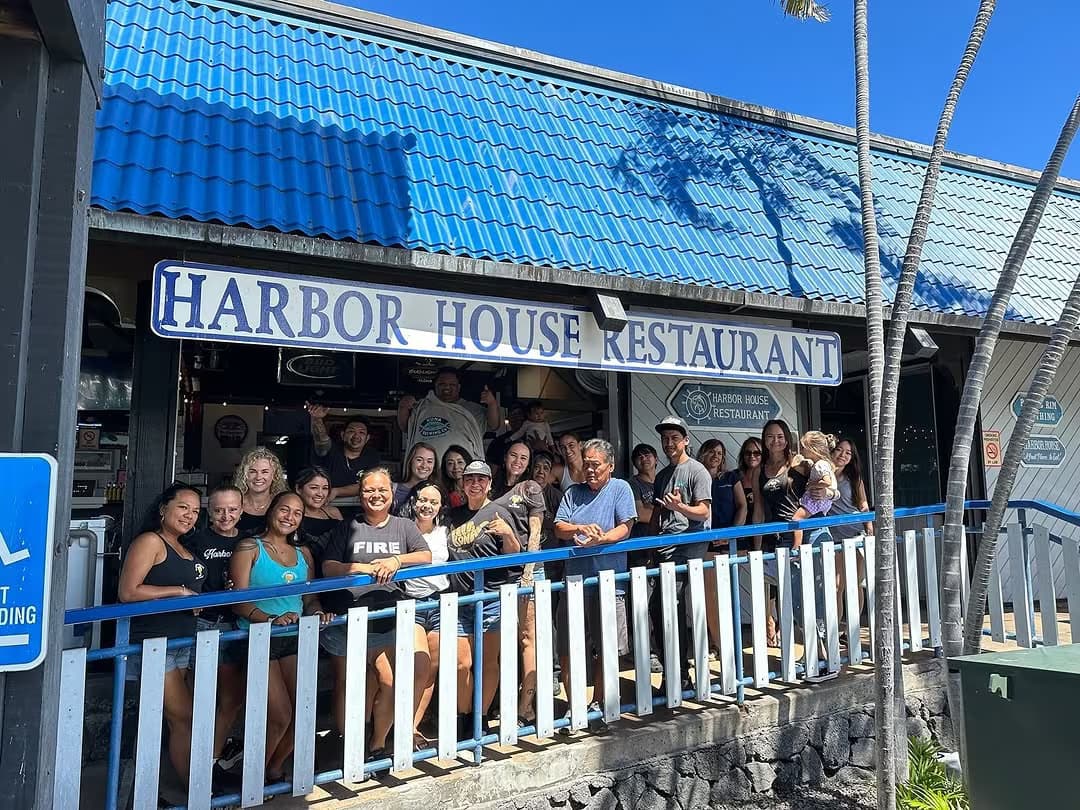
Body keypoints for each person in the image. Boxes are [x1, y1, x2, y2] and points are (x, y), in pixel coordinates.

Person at [320, 468, 432, 760]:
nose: (376, 495)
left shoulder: (404, 526)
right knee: (349, 684)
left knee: (388, 682)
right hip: (348, 618)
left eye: (382, 490)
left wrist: (396, 560)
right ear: (360, 495)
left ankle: (377, 744)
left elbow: (425, 555)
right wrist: (363, 569)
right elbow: (329, 567)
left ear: (391, 494)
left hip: (386, 618)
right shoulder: (347, 527)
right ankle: (350, 744)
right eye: (369, 490)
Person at [230, 492, 330, 782]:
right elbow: (237, 601)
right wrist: (270, 619)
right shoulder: (250, 547)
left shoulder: (304, 554)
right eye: (284, 510)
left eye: (297, 513)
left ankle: (273, 767)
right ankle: (251, 776)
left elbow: (309, 598)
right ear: (271, 510)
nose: (290, 517)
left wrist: (318, 611)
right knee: (280, 715)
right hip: (258, 637)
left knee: (304, 713)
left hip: (294, 637)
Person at [118, 484, 206, 787]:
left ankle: (154, 787)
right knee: (183, 717)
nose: (190, 515)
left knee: (174, 719)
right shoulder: (150, 541)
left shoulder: (184, 547)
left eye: (195, 511)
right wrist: (178, 592)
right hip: (155, 643)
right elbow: (128, 592)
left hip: (182, 641)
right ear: (163, 508)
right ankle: (196, 791)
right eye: (183, 507)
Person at [445, 462, 545, 726]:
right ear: (462, 484)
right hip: (459, 597)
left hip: (490, 596)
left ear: (489, 484)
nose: (475, 484)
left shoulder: (499, 511)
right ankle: (464, 715)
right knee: (461, 663)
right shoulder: (452, 515)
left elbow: (514, 555)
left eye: (481, 479)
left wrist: (508, 534)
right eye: (469, 479)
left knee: (488, 660)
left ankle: (478, 719)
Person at [553, 439, 636, 730]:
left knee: (606, 647)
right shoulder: (572, 493)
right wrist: (579, 528)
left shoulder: (620, 488)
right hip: (575, 580)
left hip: (608, 580)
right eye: (586, 464)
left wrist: (602, 539)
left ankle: (600, 703)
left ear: (610, 466)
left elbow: (626, 526)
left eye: (595, 465)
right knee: (568, 645)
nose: (589, 470)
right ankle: (574, 705)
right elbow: (559, 527)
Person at [184, 485, 246, 780]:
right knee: (199, 697)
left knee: (231, 698)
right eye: (219, 510)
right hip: (203, 623)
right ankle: (194, 761)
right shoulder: (194, 540)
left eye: (232, 509)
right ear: (209, 512)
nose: (226, 515)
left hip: (237, 623)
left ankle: (213, 757)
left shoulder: (249, 541)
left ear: (242, 511)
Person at [648, 416, 713, 693]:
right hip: (663, 550)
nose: (669, 443)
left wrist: (680, 507)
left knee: (674, 609)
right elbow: (658, 513)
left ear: (685, 440)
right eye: (665, 438)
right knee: (659, 610)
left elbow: (704, 512)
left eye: (674, 438)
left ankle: (682, 675)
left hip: (687, 550)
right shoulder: (662, 476)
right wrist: (650, 545)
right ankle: (674, 673)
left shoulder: (697, 471)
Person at [752, 419, 829, 646]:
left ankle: (821, 650)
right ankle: (812, 649)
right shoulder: (759, 471)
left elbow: (827, 473)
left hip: (808, 532)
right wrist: (757, 545)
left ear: (787, 439)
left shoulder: (799, 463)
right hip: (780, 538)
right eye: (770, 436)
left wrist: (828, 492)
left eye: (780, 436)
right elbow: (758, 509)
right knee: (792, 596)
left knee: (814, 593)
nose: (775, 441)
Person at [404, 482, 452, 745]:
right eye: (423, 500)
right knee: (419, 667)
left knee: (432, 668)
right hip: (412, 602)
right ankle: (402, 726)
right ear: (414, 501)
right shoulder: (402, 528)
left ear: (440, 506)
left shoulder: (445, 531)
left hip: (439, 602)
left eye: (433, 502)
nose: (427, 506)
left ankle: (413, 726)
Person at [699, 440, 747, 659]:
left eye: (719, 453)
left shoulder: (730, 478)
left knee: (728, 595)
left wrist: (732, 533)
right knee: (711, 597)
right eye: (711, 452)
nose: (716, 456)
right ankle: (717, 642)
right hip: (706, 543)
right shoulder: (697, 476)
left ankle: (730, 640)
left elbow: (742, 506)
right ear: (703, 453)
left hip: (729, 543)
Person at [397, 367, 501, 461]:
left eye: (452, 385)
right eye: (442, 384)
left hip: (463, 470)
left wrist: (492, 403)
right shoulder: (422, 407)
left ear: (459, 387)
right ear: (435, 386)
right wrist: (403, 407)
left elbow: (494, 425)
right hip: (427, 469)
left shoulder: (473, 409)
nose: (447, 387)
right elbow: (405, 427)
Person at [829, 438, 873, 626]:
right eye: (839, 450)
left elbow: (863, 505)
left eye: (848, 453)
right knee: (837, 585)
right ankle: (836, 630)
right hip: (833, 537)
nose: (843, 455)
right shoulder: (822, 473)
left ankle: (852, 630)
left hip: (855, 534)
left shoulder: (854, 478)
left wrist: (869, 528)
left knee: (855, 583)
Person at [306, 406, 381, 500]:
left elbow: (370, 485)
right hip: (325, 504)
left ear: (367, 438)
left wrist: (337, 491)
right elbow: (322, 440)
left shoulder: (372, 456)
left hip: (359, 506)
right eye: (351, 431)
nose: (356, 436)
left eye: (361, 432)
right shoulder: (332, 450)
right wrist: (317, 419)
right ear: (343, 435)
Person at [789, 431, 841, 546]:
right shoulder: (823, 464)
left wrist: (811, 485)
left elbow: (827, 482)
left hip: (815, 499)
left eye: (803, 448)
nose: (802, 451)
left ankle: (796, 547)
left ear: (812, 449)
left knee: (797, 518)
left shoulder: (819, 465)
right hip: (822, 503)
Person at [233, 447, 289, 535]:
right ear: (244, 475)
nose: (258, 477)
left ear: (274, 475)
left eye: (265, 472)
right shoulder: (233, 502)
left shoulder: (281, 505)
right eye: (252, 471)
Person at [293, 467, 343, 563]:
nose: (320, 494)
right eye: (314, 488)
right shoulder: (292, 516)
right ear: (298, 489)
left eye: (325, 488)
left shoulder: (333, 512)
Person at [393, 443, 438, 513]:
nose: (424, 465)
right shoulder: (393, 489)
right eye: (419, 460)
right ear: (410, 461)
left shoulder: (438, 492)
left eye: (429, 461)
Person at [485, 401, 526, 468]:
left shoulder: (533, 438)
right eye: (512, 414)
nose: (516, 418)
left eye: (519, 414)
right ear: (508, 418)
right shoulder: (498, 442)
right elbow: (492, 467)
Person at [628, 443, 659, 535]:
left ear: (656, 459)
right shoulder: (631, 484)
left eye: (647, 455)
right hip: (643, 537)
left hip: (665, 536)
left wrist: (649, 507)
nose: (644, 459)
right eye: (639, 457)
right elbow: (640, 514)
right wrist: (667, 515)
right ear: (634, 463)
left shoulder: (664, 480)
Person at [737, 437, 763, 517]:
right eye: (748, 453)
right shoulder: (734, 476)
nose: (752, 456)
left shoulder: (768, 478)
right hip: (738, 523)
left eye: (756, 453)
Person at [441, 444, 473, 509]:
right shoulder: (442, 493)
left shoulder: (479, 487)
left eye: (460, 462)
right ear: (445, 467)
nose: (456, 467)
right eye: (450, 463)